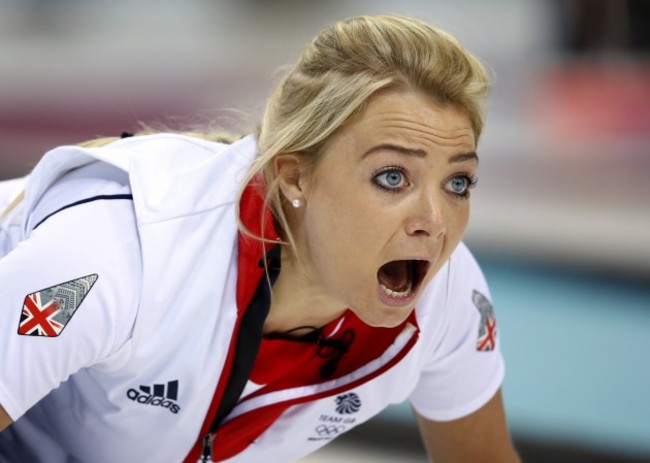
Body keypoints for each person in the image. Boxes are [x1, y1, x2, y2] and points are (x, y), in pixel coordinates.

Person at [0, 14, 520, 463]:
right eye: (392, 177)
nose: (434, 220)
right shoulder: (119, 258)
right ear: (295, 176)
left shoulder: (443, 297)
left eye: (458, 183)